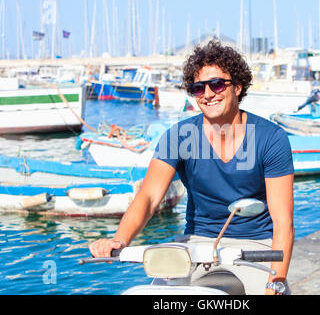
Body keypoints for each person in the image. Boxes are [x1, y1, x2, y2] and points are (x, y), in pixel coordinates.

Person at [89, 40, 295, 295]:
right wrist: (119, 240)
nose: (208, 94)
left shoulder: (270, 138)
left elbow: (283, 220)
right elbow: (149, 197)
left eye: (217, 84)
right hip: (197, 245)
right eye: (198, 88)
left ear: (238, 87)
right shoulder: (180, 137)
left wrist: (276, 282)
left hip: (257, 245)